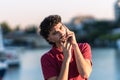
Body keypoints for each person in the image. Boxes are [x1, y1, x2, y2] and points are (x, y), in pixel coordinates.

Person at [39, 15, 92, 80]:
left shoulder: (84, 47)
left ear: (65, 27)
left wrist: (75, 45)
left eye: (61, 27)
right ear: (50, 39)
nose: (61, 33)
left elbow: (85, 74)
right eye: (55, 33)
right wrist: (66, 59)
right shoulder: (47, 58)